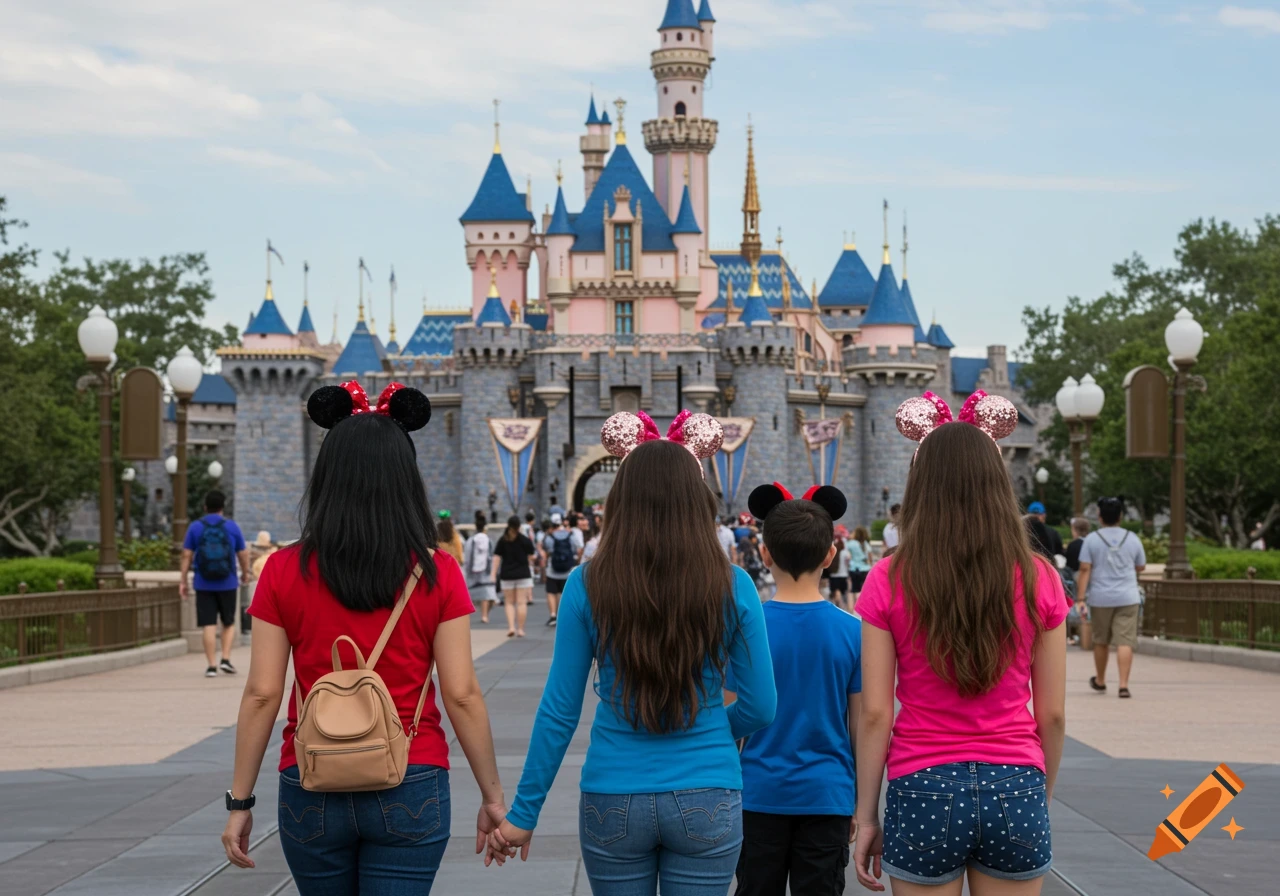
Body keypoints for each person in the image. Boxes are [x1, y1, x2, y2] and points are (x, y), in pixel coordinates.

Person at [221, 380, 508, 893]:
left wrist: (240, 802)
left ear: (326, 475)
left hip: (311, 777)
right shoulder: (437, 571)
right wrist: (493, 797)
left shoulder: (283, 570)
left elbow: (262, 693)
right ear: (406, 478)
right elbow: (461, 693)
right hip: (411, 773)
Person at [488, 431, 777, 894]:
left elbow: (560, 711)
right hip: (708, 789)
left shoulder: (588, 584)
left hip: (613, 794)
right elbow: (762, 706)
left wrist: (524, 813)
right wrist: (713, 725)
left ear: (621, 502)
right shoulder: (733, 584)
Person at [853, 407, 1067, 894]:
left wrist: (867, 816)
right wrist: (1038, 794)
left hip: (922, 781)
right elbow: (1051, 713)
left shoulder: (889, 577)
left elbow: (874, 713)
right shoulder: (1040, 578)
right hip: (1016, 780)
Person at [732, 484, 862, 896]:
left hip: (756, 794)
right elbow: (862, 723)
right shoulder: (854, 632)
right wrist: (860, 799)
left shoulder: (745, 630)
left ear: (765, 554)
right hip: (827, 794)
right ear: (830, 554)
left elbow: (731, 720)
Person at [1075, 497, 1146, 699]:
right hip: (1128, 595)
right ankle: (1123, 685)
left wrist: (1080, 598)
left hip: (1101, 597)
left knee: (1101, 640)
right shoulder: (1132, 538)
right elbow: (1141, 566)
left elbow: (1084, 568)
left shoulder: (1092, 539)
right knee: (1125, 641)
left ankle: (1100, 680)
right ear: (1121, 516)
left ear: (1100, 516)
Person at [180, 489, 251, 677]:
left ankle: (211, 666)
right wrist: (245, 573)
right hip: (227, 582)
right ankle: (225, 659)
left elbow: (186, 555)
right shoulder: (232, 526)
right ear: (222, 507)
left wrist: (183, 580)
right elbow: (243, 554)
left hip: (203, 583)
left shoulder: (195, 527)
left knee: (208, 625)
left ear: (205, 507)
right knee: (228, 623)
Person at [493, 515, 536, 638]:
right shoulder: (524, 540)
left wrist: (493, 573)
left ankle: (511, 627)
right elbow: (532, 556)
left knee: (509, 603)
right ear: (519, 526)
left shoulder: (503, 540)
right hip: (523, 574)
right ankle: (521, 629)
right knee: (521, 602)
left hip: (507, 574)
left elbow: (496, 557)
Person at [542, 513, 583, 628]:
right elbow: (578, 549)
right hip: (567, 569)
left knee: (551, 592)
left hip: (552, 569)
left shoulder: (550, 536)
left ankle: (553, 615)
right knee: (563, 592)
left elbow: (547, 550)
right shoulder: (570, 534)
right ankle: (562, 615)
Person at [464, 512, 497, 624]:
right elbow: (492, 556)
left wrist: (467, 570)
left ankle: (470, 616)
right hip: (486, 571)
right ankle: (485, 615)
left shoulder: (470, 541)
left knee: (473, 593)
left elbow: (467, 557)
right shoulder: (489, 541)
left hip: (473, 571)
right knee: (487, 595)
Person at [847, 526, 874, 603]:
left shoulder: (851, 543)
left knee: (855, 589)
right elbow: (870, 557)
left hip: (854, 569)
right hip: (865, 569)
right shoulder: (866, 544)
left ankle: (856, 608)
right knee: (865, 589)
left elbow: (847, 555)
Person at [827, 530, 851, 612]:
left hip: (834, 574)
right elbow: (848, 561)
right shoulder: (845, 552)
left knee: (836, 590)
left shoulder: (832, 551)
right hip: (843, 574)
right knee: (842, 591)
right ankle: (842, 606)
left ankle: (838, 605)